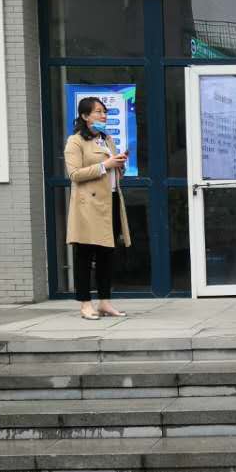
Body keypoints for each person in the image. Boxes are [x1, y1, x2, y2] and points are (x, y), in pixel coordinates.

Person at [64, 95, 131, 321]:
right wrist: (105, 165)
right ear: (85, 116)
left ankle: (104, 302)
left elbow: (112, 170)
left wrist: (119, 164)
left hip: (110, 200)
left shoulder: (106, 138)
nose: (103, 116)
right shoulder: (75, 141)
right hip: (88, 205)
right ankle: (85, 304)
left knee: (106, 254)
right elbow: (74, 174)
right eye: (98, 112)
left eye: (105, 112)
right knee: (85, 255)